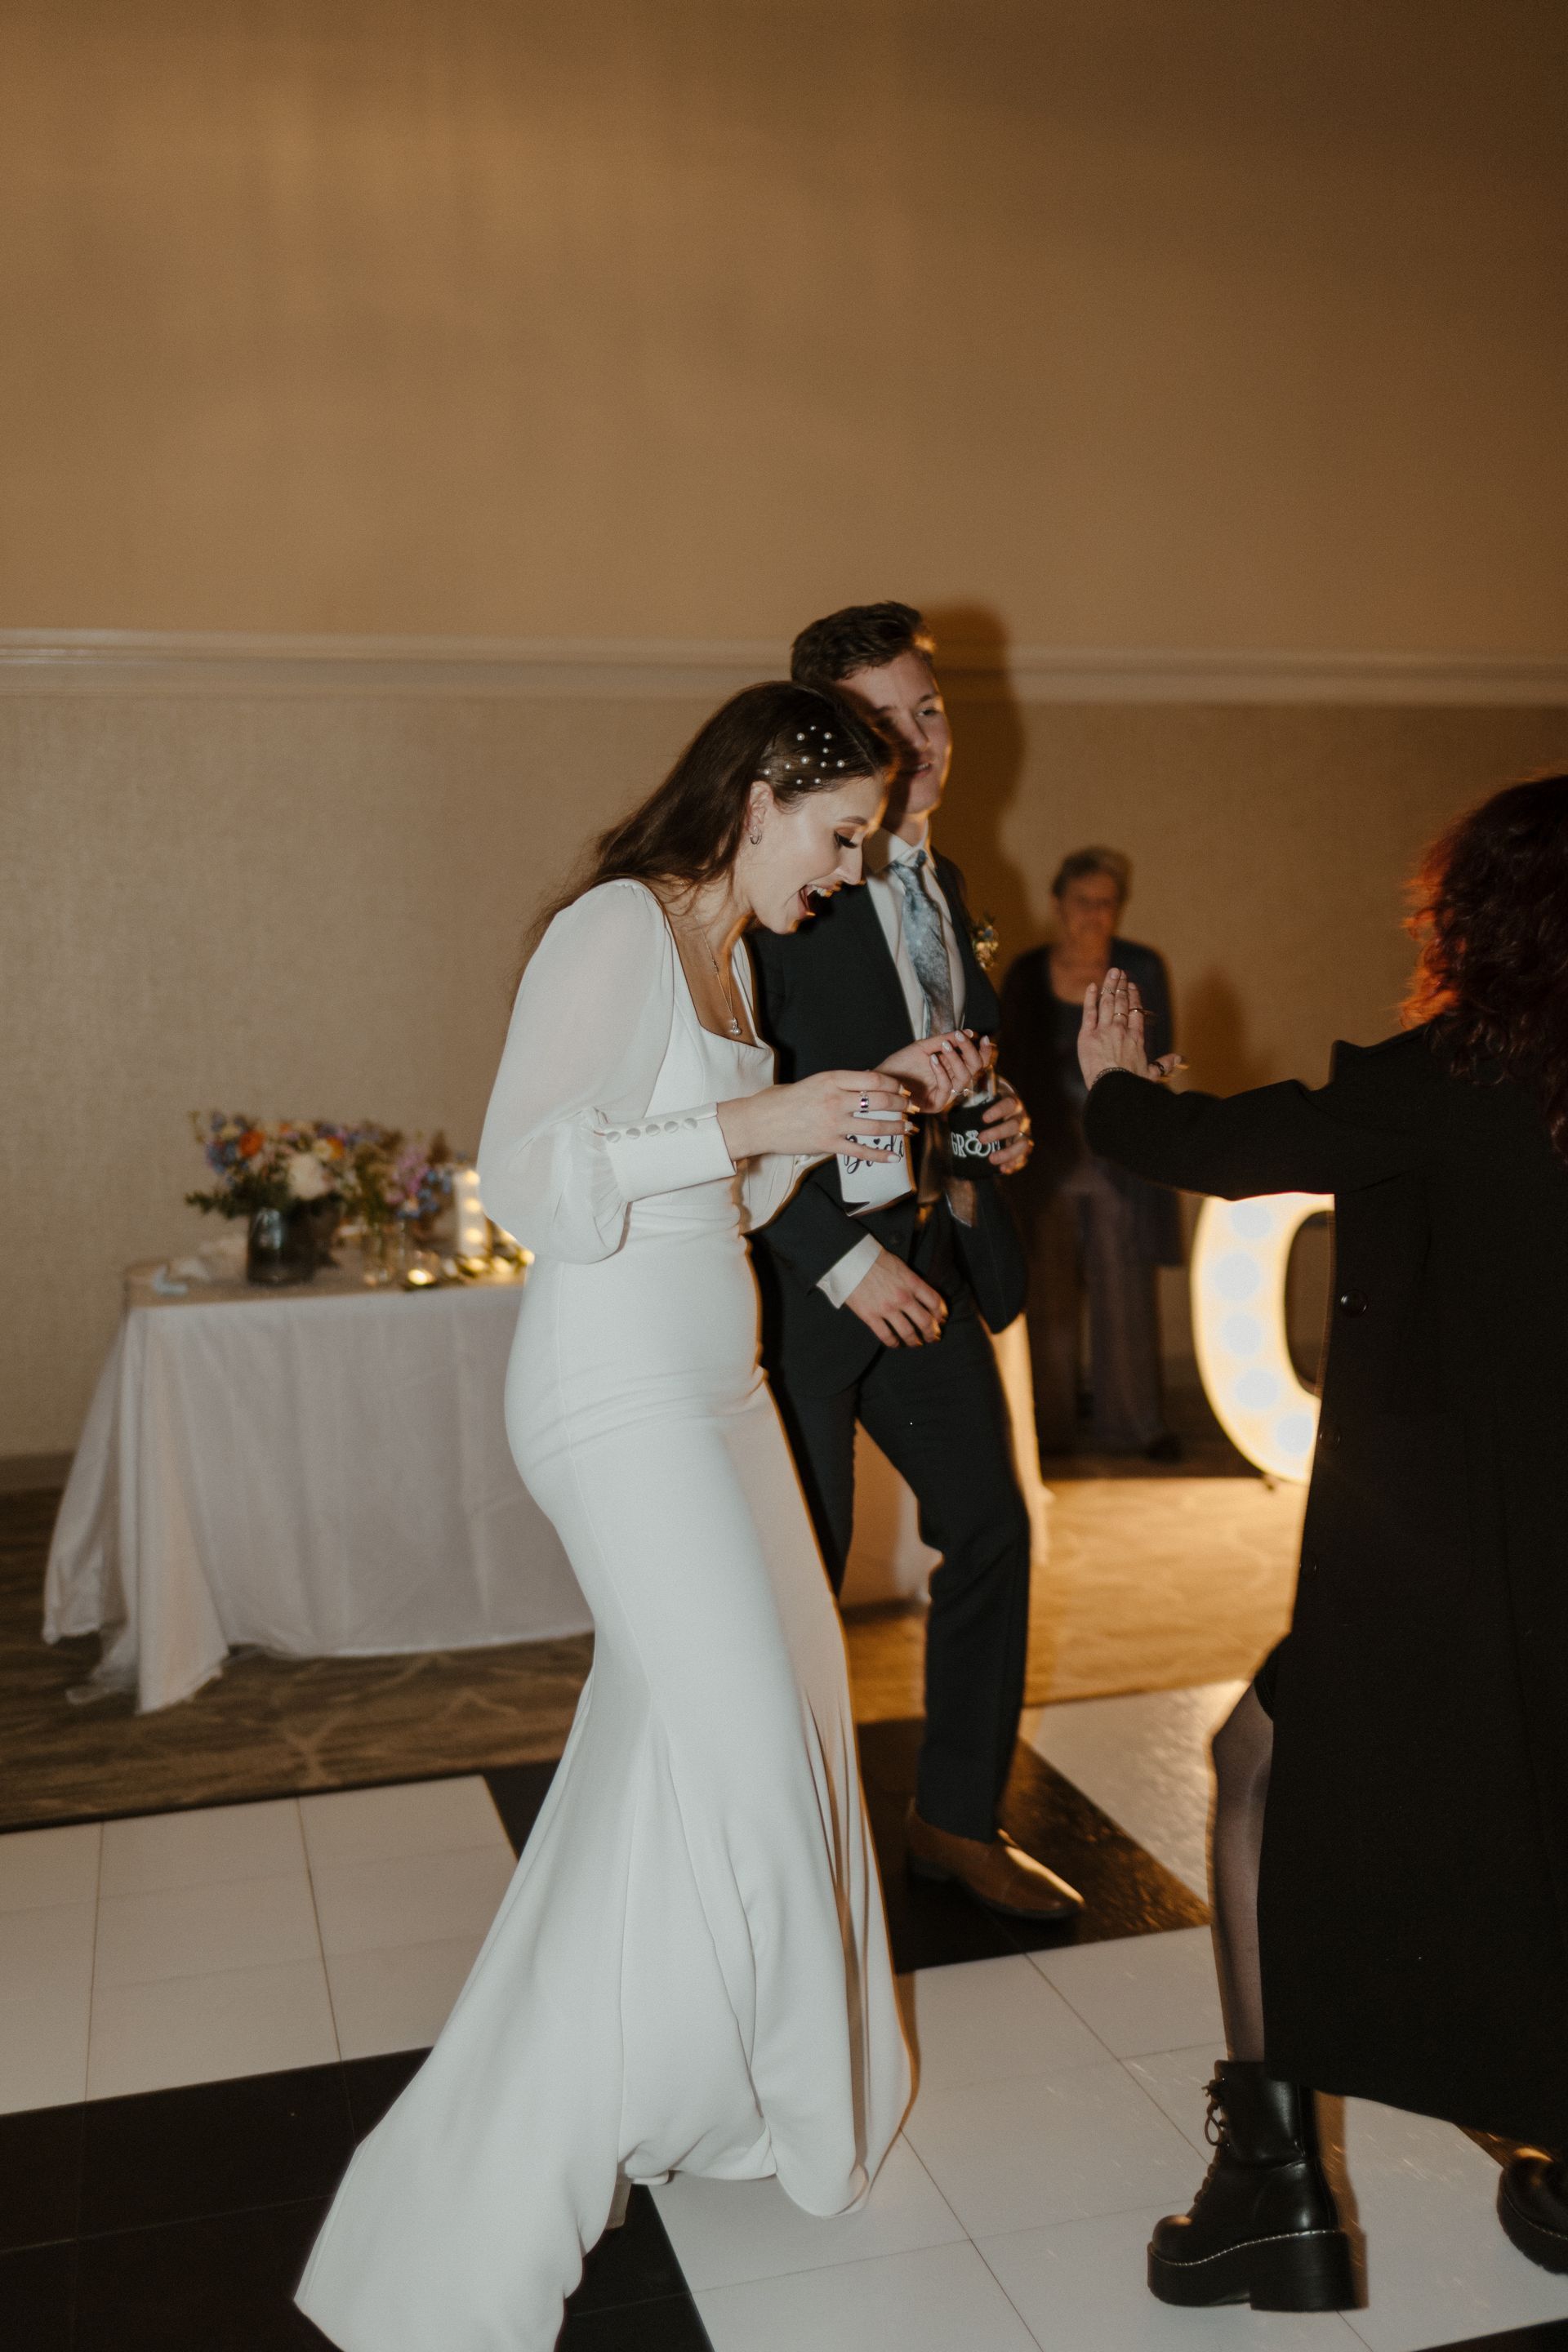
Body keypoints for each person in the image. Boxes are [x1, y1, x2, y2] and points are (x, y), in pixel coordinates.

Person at [296, 680, 994, 2352]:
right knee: (745, 1760)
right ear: (761, 793)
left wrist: (869, 1099)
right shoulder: (610, 928)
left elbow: (723, 1192)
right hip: (611, 1405)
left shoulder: (733, 957)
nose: (842, 872)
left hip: (722, 1391)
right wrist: (768, 1112)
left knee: (780, 1739)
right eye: (838, 837)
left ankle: (716, 2087)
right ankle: (480, 2209)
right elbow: (533, 1180)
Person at [1076, 772, 1568, 2312]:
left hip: (1442, 1567)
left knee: (1253, 1769)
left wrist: (1112, 1091)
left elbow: (1227, 1146)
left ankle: (1269, 2187)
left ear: (1481, 923)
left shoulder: (1454, 1077)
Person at [748, 601, 1083, 1922]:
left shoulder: (947, 886)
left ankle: (955, 1821)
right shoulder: (781, 896)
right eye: (884, 722)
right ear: (826, 735)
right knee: (799, 1570)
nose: (922, 741)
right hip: (806, 1285)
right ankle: (782, 1863)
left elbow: (943, 1081)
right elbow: (733, 1119)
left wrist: (994, 1135)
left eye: (930, 710)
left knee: (991, 1531)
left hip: (933, 1264)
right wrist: (841, 1262)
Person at [1000, 847, 1183, 1463]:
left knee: (1125, 1286)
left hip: (1116, 1155)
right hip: (1046, 1155)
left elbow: (1159, 1050)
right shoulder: (1026, 975)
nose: (1095, 915)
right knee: (1048, 1293)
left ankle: (1135, 1423)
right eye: (1084, 902)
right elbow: (1010, 1064)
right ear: (1058, 905)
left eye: (1107, 904)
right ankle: (1049, 1428)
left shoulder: (1142, 967)